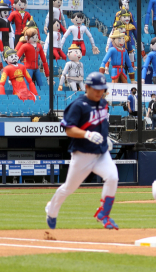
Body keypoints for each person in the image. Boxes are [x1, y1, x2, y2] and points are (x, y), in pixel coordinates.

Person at [46, 73, 119, 230]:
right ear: (86, 87)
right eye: (96, 89)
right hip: (83, 154)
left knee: (113, 177)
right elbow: (68, 129)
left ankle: (104, 214)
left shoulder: (103, 103)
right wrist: (88, 134)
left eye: (102, 89)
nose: (99, 92)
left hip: (101, 153)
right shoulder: (78, 105)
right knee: (69, 188)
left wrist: (105, 138)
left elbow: (102, 124)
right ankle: (51, 210)